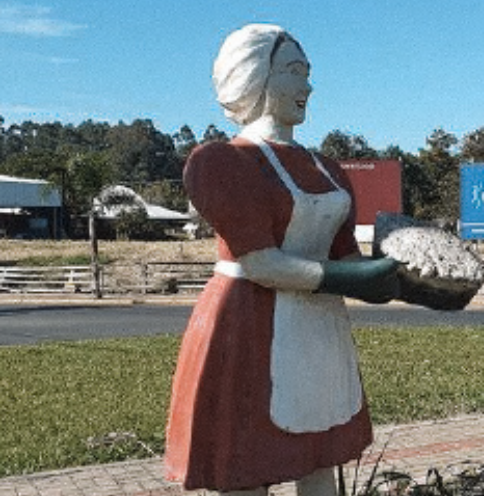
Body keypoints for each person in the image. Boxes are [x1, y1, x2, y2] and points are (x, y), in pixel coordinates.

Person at [164, 24, 400, 496]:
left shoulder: (326, 167)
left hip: (318, 328)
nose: (307, 87)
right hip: (251, 323)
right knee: (249, 459)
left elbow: (345, 253)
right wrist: (352, 278)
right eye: (294, 72)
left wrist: (400, 275)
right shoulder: (223, 163)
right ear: (254, 76)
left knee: (319, 454)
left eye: (307, 73)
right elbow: (261, 264)